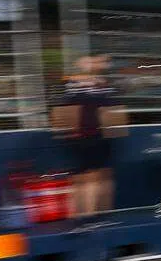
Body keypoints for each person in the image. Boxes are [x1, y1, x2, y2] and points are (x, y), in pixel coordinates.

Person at [53, 55, 128, 228]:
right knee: (90, 176)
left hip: (91, 136)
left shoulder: (93, 85)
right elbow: (111, 110)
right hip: (89, 136)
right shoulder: (92, 85)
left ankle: (92, 216)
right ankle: (89, 217)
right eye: (94, 61)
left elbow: (112, 110)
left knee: (97, 175)